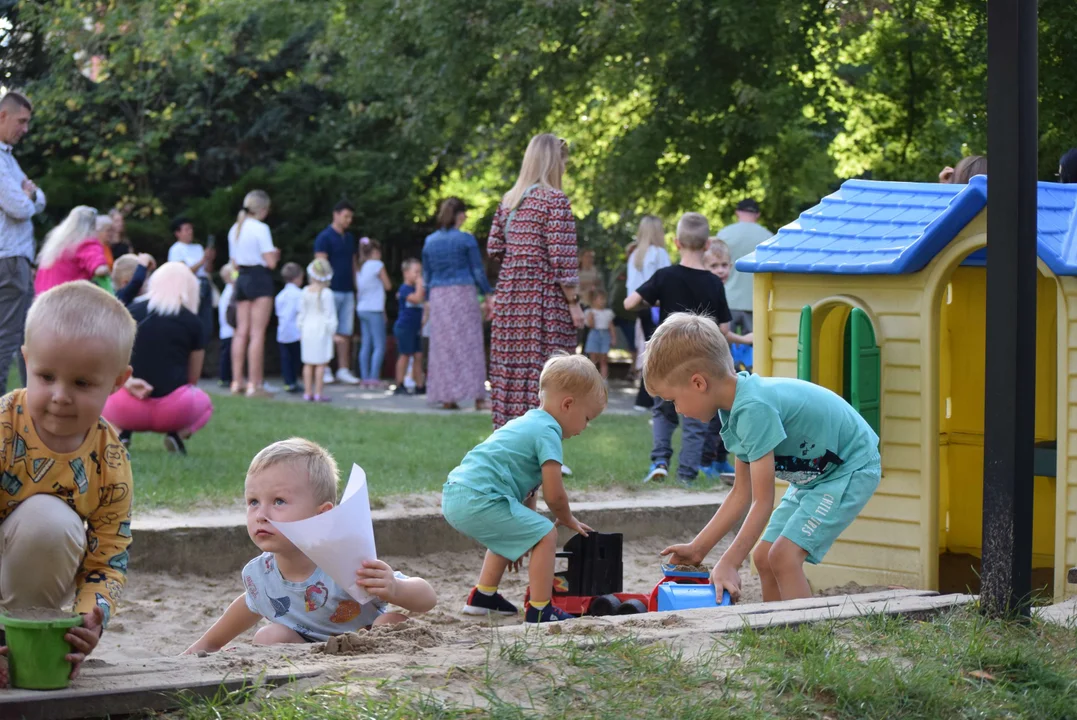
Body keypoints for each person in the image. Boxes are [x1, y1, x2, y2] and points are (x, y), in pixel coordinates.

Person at [649, 313, 881, 603]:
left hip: (849, 467)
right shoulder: (734, 410)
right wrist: (698, 549)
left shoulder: (753, 409)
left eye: (673, 400)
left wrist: (731, 562)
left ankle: (804, 636)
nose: (677, 410)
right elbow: (741, 494)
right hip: (816, 477)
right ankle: (776, 631)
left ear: (698, 383)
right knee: (763, 557)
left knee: (784, 557)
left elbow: (762, 501)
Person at [184, 438, 436, 651]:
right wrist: (203, 647)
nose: (261, 514)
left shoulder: (345, 559)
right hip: (302, 653)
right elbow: (248, 606)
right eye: (253, 502)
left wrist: (394, 587)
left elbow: (427, 599)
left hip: (366, 645)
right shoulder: (260, 575)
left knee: (392, 621)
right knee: (268, 636)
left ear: (322, 515)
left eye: (279, 501)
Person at [0, 281, 135, 679]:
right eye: (45, 376)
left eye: (82, 383)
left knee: (50, 522)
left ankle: (20, 641)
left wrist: (88, 620)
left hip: (28, 574)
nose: (60, 395)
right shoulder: (4, 428)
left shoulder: (110, 459)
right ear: (25, 360)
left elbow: (108, 556)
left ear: (117, 381)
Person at [442, 354, 604, 623]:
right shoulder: (548, 432)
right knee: (547, 534)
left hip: (458, 493)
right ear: (568, 404)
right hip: (478, 498)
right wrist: (566, 519)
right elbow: (555, 494)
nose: (586, 427)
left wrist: (523, 535)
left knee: (526, 527)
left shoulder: (529, 422)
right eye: (587, 418)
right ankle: (540, 610)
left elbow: (531, 491)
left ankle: (483, 597)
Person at [624, 212, 735, 486]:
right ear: (707, 245)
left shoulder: (665, 276)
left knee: (662, 411)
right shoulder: (713, 283)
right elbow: (723, 329)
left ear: (676, 243)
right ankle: (686, 476)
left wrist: (652, 302)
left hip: (667, 358)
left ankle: (659, 461)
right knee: (696, 421)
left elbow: (628, 303)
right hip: (700, 364)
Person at [487, 133, 583, 430]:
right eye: (563, 161)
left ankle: (511, 444)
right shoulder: (555, 200)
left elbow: (494, 247)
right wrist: (574, 305)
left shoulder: (508, 201)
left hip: (510, 300)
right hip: (544, 303)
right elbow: (563, 260)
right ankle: (545, 448)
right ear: (554, 161)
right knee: (549, 373)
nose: (565, 167)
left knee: (510, 374)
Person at [102, 262, 213, 455]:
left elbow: (111, 359)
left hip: (126, 408)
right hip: (174, 411)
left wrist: (128, 384)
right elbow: (193, 379)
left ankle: (122, 432)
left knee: (104, 392)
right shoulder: (193, 323)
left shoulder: (131, 313)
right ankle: (177, 434)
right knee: (206, 404)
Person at [422, 197, 492, 410]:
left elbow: (427, 274)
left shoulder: (430, 241)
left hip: (439, 296)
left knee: (444, 347)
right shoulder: (466, 240)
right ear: (460, 215)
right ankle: (478, 398)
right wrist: (488, 292)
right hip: (462, 293)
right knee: (469, 344)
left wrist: (427, 299)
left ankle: (447, 397)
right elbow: (477, 270)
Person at [0, 91, 46, 393]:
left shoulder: (9, 159)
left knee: (23, 338)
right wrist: (28, 194)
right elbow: (20, 207)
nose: (26, 129)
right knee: (9, 338)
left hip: (15, 259)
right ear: (2, 116)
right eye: (22, 121)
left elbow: (39, 199)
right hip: (9, 259)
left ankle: (30, 409)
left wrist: (29, 195)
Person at [228, 190, 280, 399]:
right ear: (263, 209)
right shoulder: (261, 228)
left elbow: (233, 262)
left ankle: (236, 381)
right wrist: (275, 254)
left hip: (242, 278)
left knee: (241, 332)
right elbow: (271, 262)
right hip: (259, 278)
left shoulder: (235, 228)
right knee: (257, 333)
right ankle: (254, 384)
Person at [626, 216, 670, 409]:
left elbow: (631, 288)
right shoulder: (660, 254)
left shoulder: (635, 256)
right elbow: (667, 284)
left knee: (648, 350)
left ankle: (646, 397)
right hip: (656, 308)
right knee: (658, 352)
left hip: (640, 308)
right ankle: (649, 396)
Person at [314, 201, 360, 386]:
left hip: (347, 290)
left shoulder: (349, 238)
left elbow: (353, 263)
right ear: (336, 214)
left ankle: (343, 368)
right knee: (327, 330)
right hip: (330, 290)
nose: (348, 220)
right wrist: (322, 287)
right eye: (345, 216)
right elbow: (320, 265)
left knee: (345, 331)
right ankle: (324, 367)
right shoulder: (324, 237)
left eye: (350, 217)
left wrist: (356, 286)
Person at [716, 199, 772, 339]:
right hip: (757, 301)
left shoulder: (724, 234)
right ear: (757, 214)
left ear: (737, 212)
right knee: (757, 349)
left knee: (723, 347)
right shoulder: (768, 237)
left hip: (728, 300)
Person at [33, 206, 110, 298]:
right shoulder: (87, 243)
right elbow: (100, 270)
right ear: (93, 226)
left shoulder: (57, 245)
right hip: (67, 301)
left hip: (42, 302)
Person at [168, 216, 216, 343]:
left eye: (191, 229)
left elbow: (207, 270)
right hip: (191, 287)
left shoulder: (198, 247)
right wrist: (202, 260)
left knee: (206, 322)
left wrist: (209, 259)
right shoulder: (176, 249)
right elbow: (183, 271)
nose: (190, 232)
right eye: (186, 229)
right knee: (193, 320)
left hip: (205, 283)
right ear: (177, 233)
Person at [296, 258, 337, 403]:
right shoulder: (327, 293)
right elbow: (330, 315)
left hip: (307, 328)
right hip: (321, 329)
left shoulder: (305, 292)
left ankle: (308, 392)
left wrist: (300, 327)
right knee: (320, 363)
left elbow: (301, 312)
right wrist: (332, 331)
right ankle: (318, 393)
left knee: (308, 363)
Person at [355, 238, 391, 388]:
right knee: (379, 344)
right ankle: (374, 377)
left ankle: (364, 378)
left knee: (366, 344)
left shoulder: (360, 267)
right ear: (375, 252)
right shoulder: (378, 265)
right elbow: (388, 285)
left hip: (362, 308)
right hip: (374, 308)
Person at [393, 259, 425, 396]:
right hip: (405, 327)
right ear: (406, 273)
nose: (419, 276)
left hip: (415, 327)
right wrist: (420, 284)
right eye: (416, 272)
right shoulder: (405, 289)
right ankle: (399, 383)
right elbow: (417, 299)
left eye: (420, 273)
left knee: (418, 355)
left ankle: (420, 385)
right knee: (405, 354)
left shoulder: (416, 289)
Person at [274, 262, 304, 394]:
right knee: (296, 359)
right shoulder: (300, 294)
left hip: (283, 332)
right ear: (298, 277)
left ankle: (288, 382)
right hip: (296, 332)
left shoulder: (280, 295)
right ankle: (294, 381)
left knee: (286, 359)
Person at [583, 290, 614, 379]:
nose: (603, 301)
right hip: (594, 333)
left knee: (604, 359)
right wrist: (591, 318)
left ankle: (604, 379)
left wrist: (613, 338)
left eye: (604, 299)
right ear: (594, 300)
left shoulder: (608, 313)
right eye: (601, 299)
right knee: (593, 359)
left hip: (605, 334)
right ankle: (592, 378)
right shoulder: (590, 312)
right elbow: (591, 325)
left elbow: (611, 326)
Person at [217, 264, 236, 388]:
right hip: (229, 329)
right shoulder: (230, 291)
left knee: (227, 354)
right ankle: (225, 378)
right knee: (227, 355)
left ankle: (226, 377)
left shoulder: (227, 291)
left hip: (226, 329)